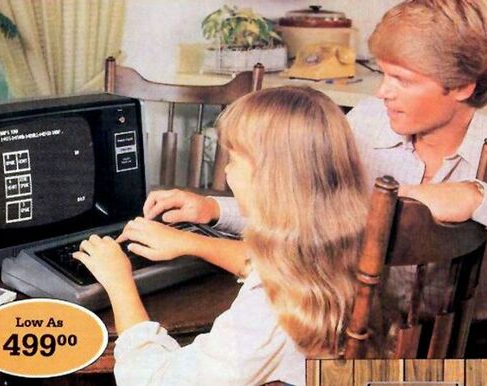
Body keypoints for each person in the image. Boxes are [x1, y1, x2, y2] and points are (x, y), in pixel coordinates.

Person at [141, 0, 487, 384]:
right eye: (384, 74)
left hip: (485, 347)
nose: (383, 92)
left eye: (402, 79)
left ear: (463, 86)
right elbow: (307, 204)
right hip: (376, 342)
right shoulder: (369, 122)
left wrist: (475, 197)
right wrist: (213, 210)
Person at [73, 86, 370, 385]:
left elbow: (154, 379)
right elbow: (271, 264)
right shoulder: (338, 243)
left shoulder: (265, 314)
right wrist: (190, 242)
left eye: (235, 160)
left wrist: (119, 283)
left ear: (270, 181)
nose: (226, 172)